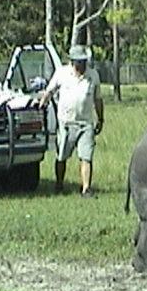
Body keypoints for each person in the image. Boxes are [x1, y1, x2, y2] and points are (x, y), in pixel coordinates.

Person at [39, 45, 104, 197]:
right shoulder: (62, 73)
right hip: (66, 123)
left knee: (86, 156)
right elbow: (49, 91)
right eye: (79, 62)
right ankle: (59, 184)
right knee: (61, 156)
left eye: (83, 61)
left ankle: (86, 188)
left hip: (85, 123)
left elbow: (98, 99)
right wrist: (42, 104)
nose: (82, 65)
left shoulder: (93, 76)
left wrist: (100, 118)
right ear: (72, 61)